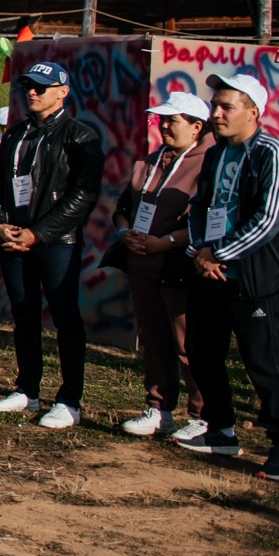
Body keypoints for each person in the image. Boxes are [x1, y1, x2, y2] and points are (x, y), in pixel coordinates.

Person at [176, 73, 279, 480]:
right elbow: (199, 206)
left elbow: (269, 218)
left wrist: (218, 253)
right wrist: (199, 251)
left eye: (226, 106)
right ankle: (221, 429)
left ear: (253, 112)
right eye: (215, 105)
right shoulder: (216, 153)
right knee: (202, 350)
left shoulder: (274, 153)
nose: (216, 113)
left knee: (263, 362)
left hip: (254, 277)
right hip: (210, 272)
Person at [0, 61, 103, 428]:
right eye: (28, 87)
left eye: (40, 87)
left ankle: (69, 400)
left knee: (65, 317)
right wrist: (0, 225)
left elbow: (81, 197)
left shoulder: (80, 136)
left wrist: (39, 233)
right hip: (14, 238)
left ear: (62, 92)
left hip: (57, 241)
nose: (32, 92)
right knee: (24, 313)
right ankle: (27, 389)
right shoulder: (16, 135)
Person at [108, 91, 213, 438]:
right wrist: (124, 232)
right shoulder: (149, 162)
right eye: (162, 120)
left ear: (196, 127)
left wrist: (165, 242)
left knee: (187, 343)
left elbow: (206, 222)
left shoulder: (209, 164)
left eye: (172, 121)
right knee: (154, 340)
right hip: (142, 264)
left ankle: (203, 415)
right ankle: (159, 408)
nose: (164, 126)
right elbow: (124, 206)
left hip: (178, 268)